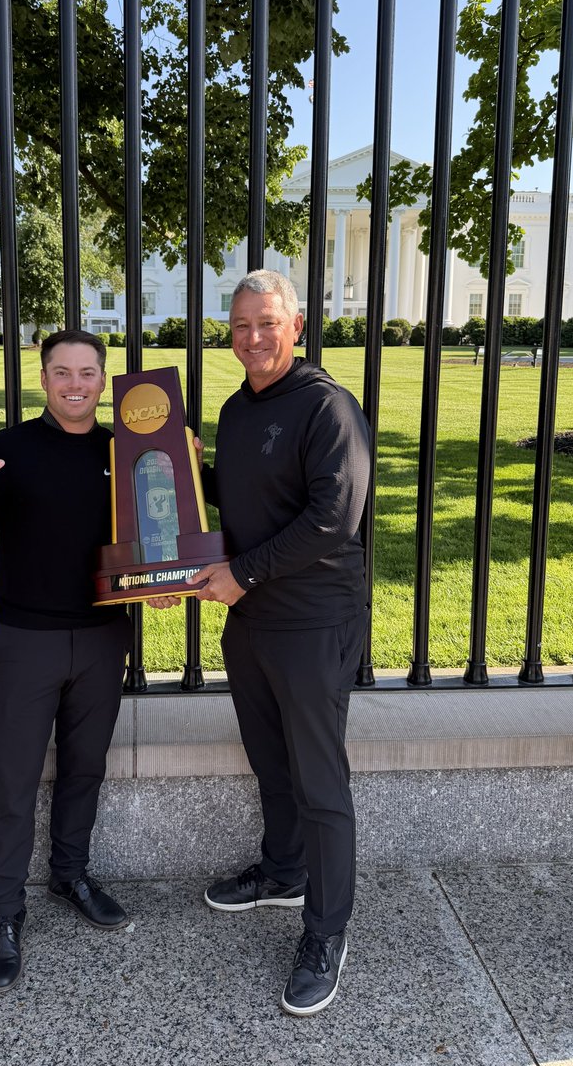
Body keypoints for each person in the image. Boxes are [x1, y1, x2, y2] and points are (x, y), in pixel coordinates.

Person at [151, 270, 370, 1017]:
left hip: (312, 620)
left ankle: (327, 932)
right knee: (270, 761)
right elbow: (246, 495)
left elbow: (333, 517)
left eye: (267, 323)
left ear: (296, 326)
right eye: (241, 325)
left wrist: (242, 573)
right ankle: (284, 872)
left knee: (319, 781)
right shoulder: (236, 409)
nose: (253, 338)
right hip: (250, 618)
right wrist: (188, 472)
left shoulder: (327, 407)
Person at [0, 329, 132, 995]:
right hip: (25, 639)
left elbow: (161, 532)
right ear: (43, 380)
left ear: (103, 381)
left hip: (102, 638)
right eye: (61, 372)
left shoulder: (125, 452)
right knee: (13, 784)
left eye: (87, 372)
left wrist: (165, 579)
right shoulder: (8, 449)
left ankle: (70, 874)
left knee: (85, 768)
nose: (75, 384)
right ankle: (5, 913)